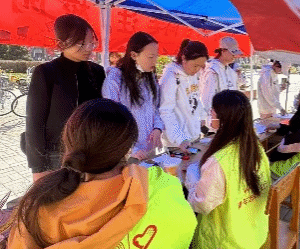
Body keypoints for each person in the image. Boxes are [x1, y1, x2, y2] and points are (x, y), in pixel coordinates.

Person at [9, 99, 197, 249]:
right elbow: (185, 232)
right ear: (128, 149)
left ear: (68, 144)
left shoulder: (40, 214)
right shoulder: (162, 185)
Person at [185, 90, 271, 249]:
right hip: (254, 230)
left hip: (227, 244)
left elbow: (201, 205)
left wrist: (191, 179)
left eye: (212, 112)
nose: (210, 115)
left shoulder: (218, 162)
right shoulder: (255, 147)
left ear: (223, 119)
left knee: (188, 247)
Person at [25, 14, 105, 182]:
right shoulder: (45, 73)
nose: (88, 48)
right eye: (81, 43)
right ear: (61, 44)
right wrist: (38, 167)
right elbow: (34, 122)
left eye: (91, 42)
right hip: (57, 155)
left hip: (91, 152)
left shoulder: (97, 72)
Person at [102, 32, 164, 161]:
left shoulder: (150, 78)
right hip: (127, 154)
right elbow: (112, 122)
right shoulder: (115, 79)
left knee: (158, 173)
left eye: (156, 56)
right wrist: (131, 150)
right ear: (134, 55)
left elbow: (156, 109)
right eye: (151, 57)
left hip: (150, 151)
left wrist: (158, 128)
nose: (155, 61)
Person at [159, 39, 209, 152]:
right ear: (184, 58)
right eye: (195, 65)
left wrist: (202, 116)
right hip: (177, 143)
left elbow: (196, 98)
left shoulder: (193, 75)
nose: (197, 70)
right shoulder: (171, 77)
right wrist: (180, 139)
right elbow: (165, 111)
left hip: (193, 136)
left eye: (201, 66)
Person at [199, 36, 243, 127]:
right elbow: (207, 99)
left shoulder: (231, 72)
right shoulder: (212, 71)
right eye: (232, 52)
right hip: (216, 123)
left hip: (230, 119)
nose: (234, 56)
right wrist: (211, 122)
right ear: (223, 51)